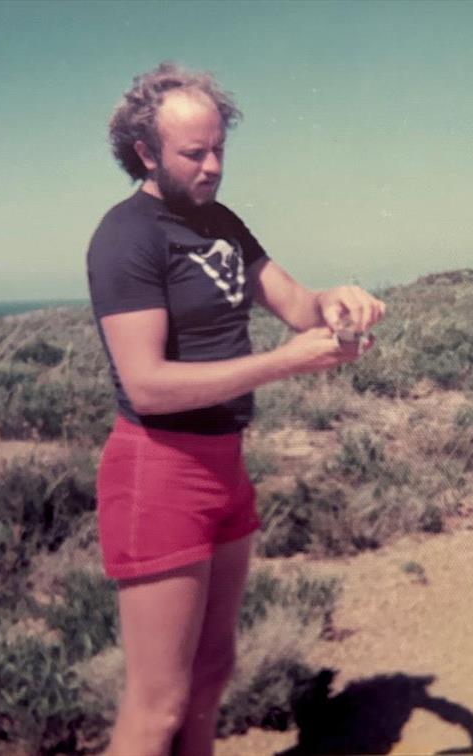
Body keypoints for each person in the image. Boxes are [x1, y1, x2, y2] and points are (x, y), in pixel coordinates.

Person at [86, 62, 385, 756]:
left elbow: (297, 305)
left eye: (220, 148)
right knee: (156, 707)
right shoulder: (126, 237)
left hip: (226, 465)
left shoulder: (222, 224)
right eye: (195, 153)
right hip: (158, 473)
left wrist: (336, 301)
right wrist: (285, 362)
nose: (214, 165)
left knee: (211, 677)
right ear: (146, 152)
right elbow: (149, 385)